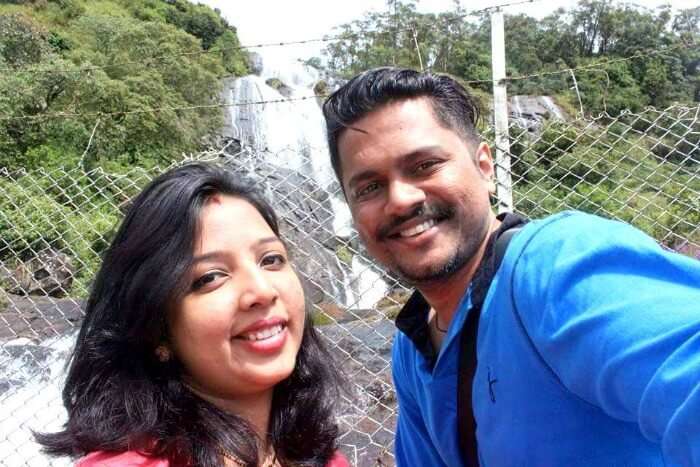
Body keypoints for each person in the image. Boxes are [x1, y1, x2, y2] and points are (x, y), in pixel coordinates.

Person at [322, 67, 700, 466]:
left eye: (425, 165)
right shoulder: (413, 345)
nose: (399, 199)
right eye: (369, 188)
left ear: (485, 167)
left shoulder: (556, 265)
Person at [36, 163, 349, 467]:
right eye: (210, 277)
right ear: (156, 328)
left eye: (271, 259)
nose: (262, 291)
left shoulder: (325, 459)